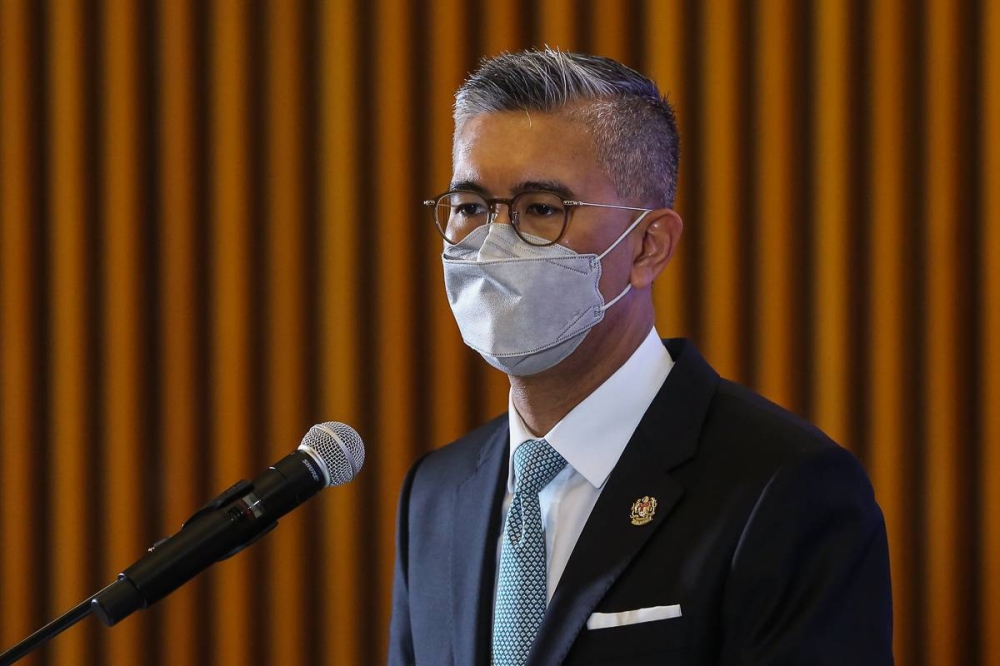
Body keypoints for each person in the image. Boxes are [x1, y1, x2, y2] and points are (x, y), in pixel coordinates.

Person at [389, 48, 893, 665]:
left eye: (541, 210)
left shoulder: (786, 486)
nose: (493, 242)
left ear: (649, 246)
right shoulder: (436, 492)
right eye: (470, 207)